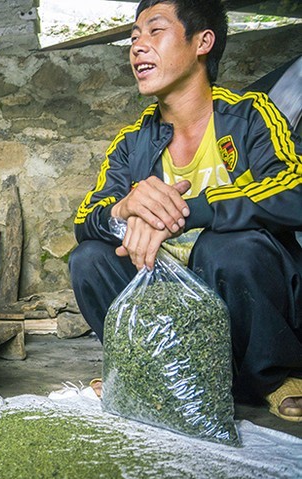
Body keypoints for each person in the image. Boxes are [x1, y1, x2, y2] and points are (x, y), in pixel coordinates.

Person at [69, 0, 302, 422]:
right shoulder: (132, 142)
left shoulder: (250, 116)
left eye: (155, 31)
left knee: (226, 249)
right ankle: (152, 371)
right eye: (134, 37)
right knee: (89, 258)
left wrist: (191, 210)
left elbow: (295, 189)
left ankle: (270, 379)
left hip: (239, 294)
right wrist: (123, 210)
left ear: (203, 42)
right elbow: (87, 216)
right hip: (173, 301)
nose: (137, 46)